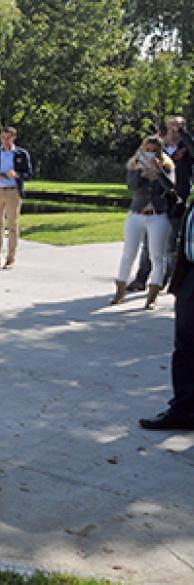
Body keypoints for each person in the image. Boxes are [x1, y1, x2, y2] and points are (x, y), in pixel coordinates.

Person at [141, 125, 194, 431]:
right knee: (186, 345)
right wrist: (160, 178)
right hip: (189, 274)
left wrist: (182, 131)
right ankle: (183, 408)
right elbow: (178, 204)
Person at [128, 116, 192, 292]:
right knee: (148, 243)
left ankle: (166, 279)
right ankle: (141, 279)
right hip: (159, 201)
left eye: (176, 128)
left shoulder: (187, 148)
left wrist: (183, 135)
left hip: (177, 200)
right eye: (169, 127)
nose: (171, 131)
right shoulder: (158, 149)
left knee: (171, 245)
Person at [112, 136, 175, 309]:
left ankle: (152, 297)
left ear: (159, 152)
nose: (149, 153)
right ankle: (120, 292)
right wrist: (140, 171)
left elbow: (170, 187)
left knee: (157, 256)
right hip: (136, 214)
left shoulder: (167, 166)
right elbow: (131, 187)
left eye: (153, 150)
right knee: (128, 254)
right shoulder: (134, 165)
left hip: (157, 215)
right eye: (147, 149)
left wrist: (158, 172)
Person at [0, 127, 33, 269]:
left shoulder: (21, 154)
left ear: (13, 138)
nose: (4, 141)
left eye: (7, 138)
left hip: (13, 192)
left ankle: (11, 258)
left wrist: (16, 174)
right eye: (2, 138)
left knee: (12, 225)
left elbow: (29, 174)